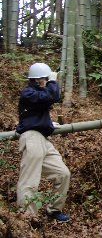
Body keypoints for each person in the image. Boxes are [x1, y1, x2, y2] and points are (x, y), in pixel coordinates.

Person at [16, 63, 71, 222]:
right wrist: (53, 81)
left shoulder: (38, 94)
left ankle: (53, 210)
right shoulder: (28, 93)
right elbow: (52, 96)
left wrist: (48, 123)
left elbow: (41, 108)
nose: (47, 82)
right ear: (39, 79)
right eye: (46, 79)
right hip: (32, 137)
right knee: (30, 179)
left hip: (44, 139)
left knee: (63, 174)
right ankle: (26, 217)